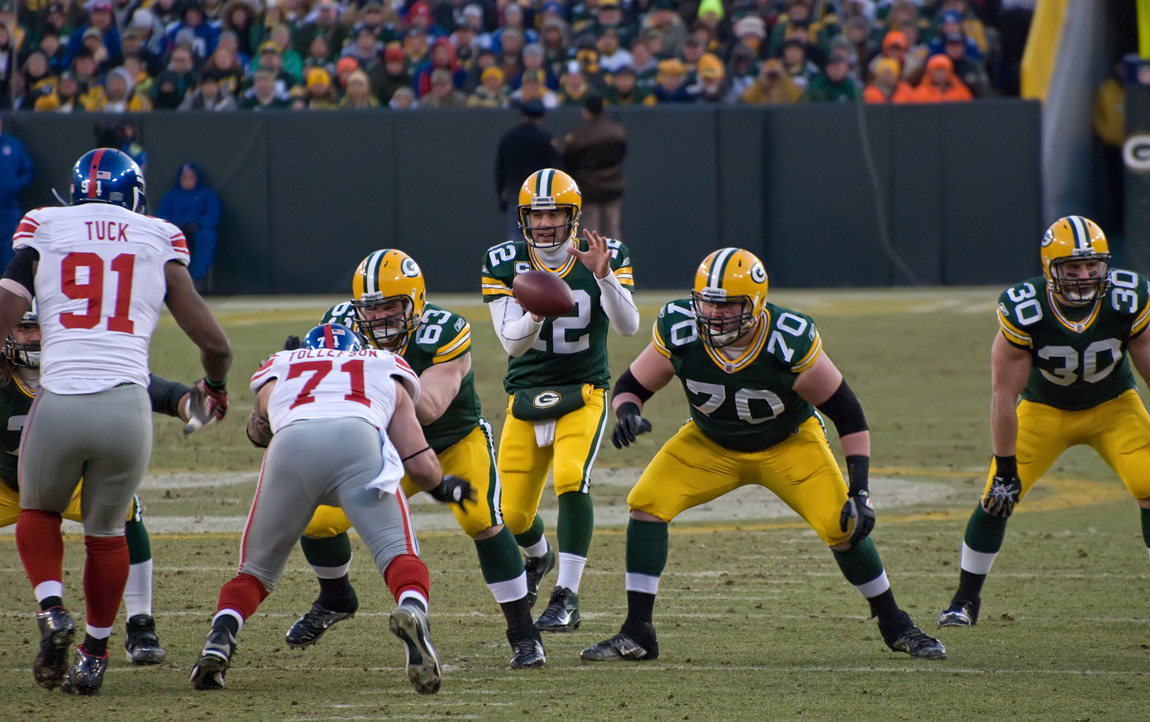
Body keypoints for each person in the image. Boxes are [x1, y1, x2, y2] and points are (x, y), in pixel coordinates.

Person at [580, 247, 947, 663]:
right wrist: (628, 412)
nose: (715, 314)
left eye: (728, 305)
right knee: (646, 505)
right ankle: (638, 631)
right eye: (708, 302)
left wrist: (860, 490)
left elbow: (849, 415)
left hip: (788, 443)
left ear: (754, 304)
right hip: (709, 442)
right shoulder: (680, 328)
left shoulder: (787, 341)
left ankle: (896, 624)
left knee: (843, 526)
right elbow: (632, 384)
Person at [0, 148, 232, 695]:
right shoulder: (159, 234)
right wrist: (215, 388)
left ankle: (52, 607)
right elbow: (215, 344)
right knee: (108, 531)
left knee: (38, 509)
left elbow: (8, 305)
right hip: (127, 406)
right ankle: (97, 653)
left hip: (58, 400)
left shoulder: (45, 223)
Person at [283, 249, 547, 670]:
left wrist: (355, 379)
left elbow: (428, 410)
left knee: (480, 518)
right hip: (384, 448)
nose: (381, 318)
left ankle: (523, 633)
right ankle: (335, 598)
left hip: (452, 441)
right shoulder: (340, 325)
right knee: (317, 520)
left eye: (391, 306)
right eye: (371, 309)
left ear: (416, 301)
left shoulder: (445, 331)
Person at [190, 323, 472, 694]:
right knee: (397, 552)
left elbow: (257, 433)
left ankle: (220, 636)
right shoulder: (383, 364)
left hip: (291, 447)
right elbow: (418, 461)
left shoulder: (282, 364)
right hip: (358, 440)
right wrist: (441, 488)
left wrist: (282, 379)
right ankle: (413, 609)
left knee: (255, 570)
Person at [938, 216, 1150, 628]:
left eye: (1092, 267)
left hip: (1114, 404)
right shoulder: (1025, 308)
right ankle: (965, 599)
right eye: (1072, 268)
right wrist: (1004, 467)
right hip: (1044, 409)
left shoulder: (1128, 296)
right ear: (1050, 267)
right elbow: (1004, 394)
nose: (1085, 276)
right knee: (997, 499)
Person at [0, 306, 218, 667]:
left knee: (126, 511)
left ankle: (140, 624)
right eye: (25, 327)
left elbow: (147, 387)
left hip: (69, 480)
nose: (35, 336)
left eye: (42, 326)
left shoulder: (81, 363)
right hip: (7, 482)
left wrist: (190, 404)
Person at [481, 168, 640, 632]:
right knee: (509, 514)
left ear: (573, 215)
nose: (546, 223)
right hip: (525, 394)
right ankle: (540, 555)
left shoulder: (604, 252)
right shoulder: (504, 261)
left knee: (571, 479)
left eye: (555, 213)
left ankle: (567, 595)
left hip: (584, 390)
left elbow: (628, 327)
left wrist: (604, 275)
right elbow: (512, 343)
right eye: (537, 214)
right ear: (525, 218)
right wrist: (535, 310)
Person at [561, 95, 626, 240]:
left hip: (587, 190)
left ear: (586, 111)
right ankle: (615, 262)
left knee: (589, 234)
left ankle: (591, 263)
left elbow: (568, 160)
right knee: (613, 232)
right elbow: (621, 155)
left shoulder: (579, 134)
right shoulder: (617, 131)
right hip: (612, 188)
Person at [494, 100, 561, 241]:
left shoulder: (509, 138)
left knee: (515, 233)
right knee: (540, 231)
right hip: (540, 192)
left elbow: (500, 168)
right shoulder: (545, 138)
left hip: (515, 190)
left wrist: (501, 192)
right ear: (541, 118)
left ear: (522, 116)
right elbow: (556, 167)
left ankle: (516, 261)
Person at [155, 163, 221, 287]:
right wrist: (172, 227)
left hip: (197, 229)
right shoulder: (170, 196)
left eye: (191, 177)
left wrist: (199, 224)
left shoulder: (206, 195)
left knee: (207, 237)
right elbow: (162, 216)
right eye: (184, 177)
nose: (187, 180)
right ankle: (169, 280)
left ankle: (196, 280)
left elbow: (213, 214)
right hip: (175, 230)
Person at [0, 117, 32, 270]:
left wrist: (15, 185)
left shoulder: (14, 145)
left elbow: (27, 170)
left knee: (9, 256)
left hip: (9, 210)